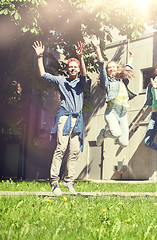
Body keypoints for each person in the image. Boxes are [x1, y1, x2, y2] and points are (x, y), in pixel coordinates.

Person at [33, 41, 87, 196]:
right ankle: (54, 181)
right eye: (70, 66)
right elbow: (42, 75)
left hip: (78, 119)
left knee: (75, 150)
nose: (73, 69)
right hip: (64, 117)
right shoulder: (61, 80)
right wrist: (40, 57)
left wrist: (80, 57)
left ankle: (68, 181)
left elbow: (84, 72)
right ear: (68, 68)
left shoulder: (81, 82)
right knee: (61, 148)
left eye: (75, 67)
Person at [91, 36, 135, 148]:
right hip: (112, 112)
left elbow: (128, 68)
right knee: (116, 133)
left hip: (123, 112)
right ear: (107, 71)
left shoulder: (122, 80)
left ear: (117, 68)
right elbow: (101, 64)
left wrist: (131, 58)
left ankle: (108, 128)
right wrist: (97, 48)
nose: (111, 69)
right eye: (109, 68)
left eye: (113, 67)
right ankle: (104, 133)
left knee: (124, 143)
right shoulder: (107, 82)